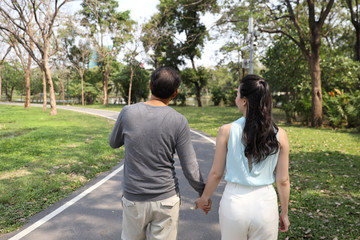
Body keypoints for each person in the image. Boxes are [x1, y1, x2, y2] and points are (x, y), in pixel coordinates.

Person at [109, 66, 206, 240]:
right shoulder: (179, 120)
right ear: (175, 93)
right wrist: (203, 192)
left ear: (149, 85)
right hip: (166, 200)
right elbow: (190, 167)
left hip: (133, 199)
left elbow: (113, 143)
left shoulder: (127, 112)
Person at [195, 74, 290, 239]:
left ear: (244, 100)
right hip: (266, 203)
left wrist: (204, 198)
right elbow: (283, 181)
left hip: (235, 202)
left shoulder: (226, 131)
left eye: (237, 94)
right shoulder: (280, 135)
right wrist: (284, 212)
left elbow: (216, 173)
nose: (236, 98)